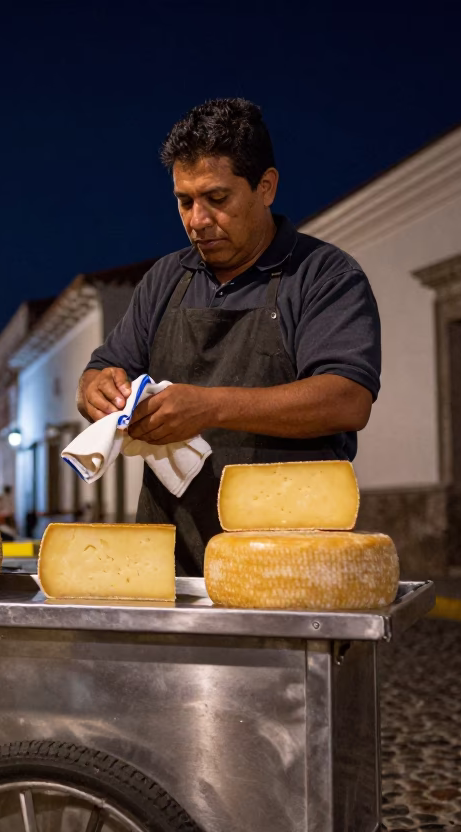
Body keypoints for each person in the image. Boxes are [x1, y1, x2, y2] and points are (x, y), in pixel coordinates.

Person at [77, 99, 381, 575]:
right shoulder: (164, 280)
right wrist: (95, 387)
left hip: (290, 560)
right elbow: (104, 367)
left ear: (266, 187)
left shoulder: (325, 275)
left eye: (216, 199)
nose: (197, 219)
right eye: (184, 201)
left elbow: (347, 400)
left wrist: (211, 406)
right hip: (170, 563)